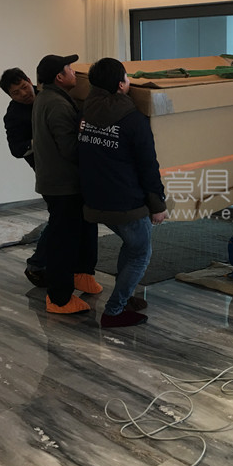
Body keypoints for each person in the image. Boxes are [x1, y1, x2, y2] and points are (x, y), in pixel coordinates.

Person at [77, 58, 167, 328]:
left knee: (131, 246)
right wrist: (158, 205)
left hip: (94, 199)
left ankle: (124, 298)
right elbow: (148, 166)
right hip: (126, 202)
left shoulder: (84, 114)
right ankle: (114, 311)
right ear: (120, 85)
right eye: (127, 78)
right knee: (140, 253)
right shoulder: (133, 120)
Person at [33, 54, 102, 314]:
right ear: (59, 77)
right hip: (62, 185)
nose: (75, 72)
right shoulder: (57, 104)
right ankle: (59, 298)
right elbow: (70, 149)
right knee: (64, 240)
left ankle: (82, 275)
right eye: (69, 68)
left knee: (84, 230)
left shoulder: (50, 97)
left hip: (63, 182)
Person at [0, 67, 49, 288]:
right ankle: (36, 265)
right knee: (61, 219)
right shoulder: (13, 116)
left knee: (69, 219)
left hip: (69, 166)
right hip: (46, 171)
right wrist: (40, 140)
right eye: (16, 93)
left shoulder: (48, 94)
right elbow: (16, 150)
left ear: (30, 80)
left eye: (24, 87)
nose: (23, 94)